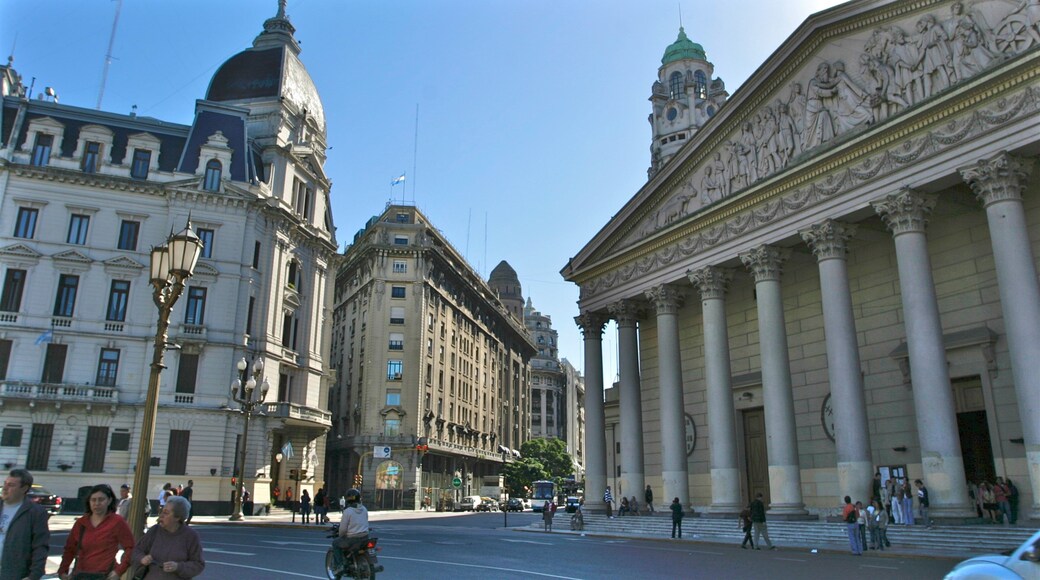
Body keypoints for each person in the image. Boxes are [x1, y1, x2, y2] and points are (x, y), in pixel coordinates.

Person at [58, 483, 134, 580]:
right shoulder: (81, 523)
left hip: (105, 575)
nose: (97, 503)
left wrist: (119, 571)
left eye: (101, 499)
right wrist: (63, 572)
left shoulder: (117, 522)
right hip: (81, 575)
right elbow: (69, 549)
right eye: (93, 500)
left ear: (109, 501)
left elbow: (131, 547)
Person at [131, 495, 205, 579]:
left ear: (177, 517)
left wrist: (178, 567)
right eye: (161, 511)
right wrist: (142, 558)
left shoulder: (191, 536)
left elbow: (198, 564)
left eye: (166, 513)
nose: (161, 515)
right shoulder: (154, 530)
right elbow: (136, 551)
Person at [0, 468, 50, 580]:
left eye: (11, 485)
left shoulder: (35, 513)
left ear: (24, 489)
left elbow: (40, 547)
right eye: (5, 484)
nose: (5, 488)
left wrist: (34, 576)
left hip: (14, 574)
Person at [332, 489, 381, 575]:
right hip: (365, 537)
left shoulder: (348, 511)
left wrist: (341, 535)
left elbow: (343, 529)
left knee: (335, 544)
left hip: (352, 539)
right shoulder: (364, 509)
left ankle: (340, 566)